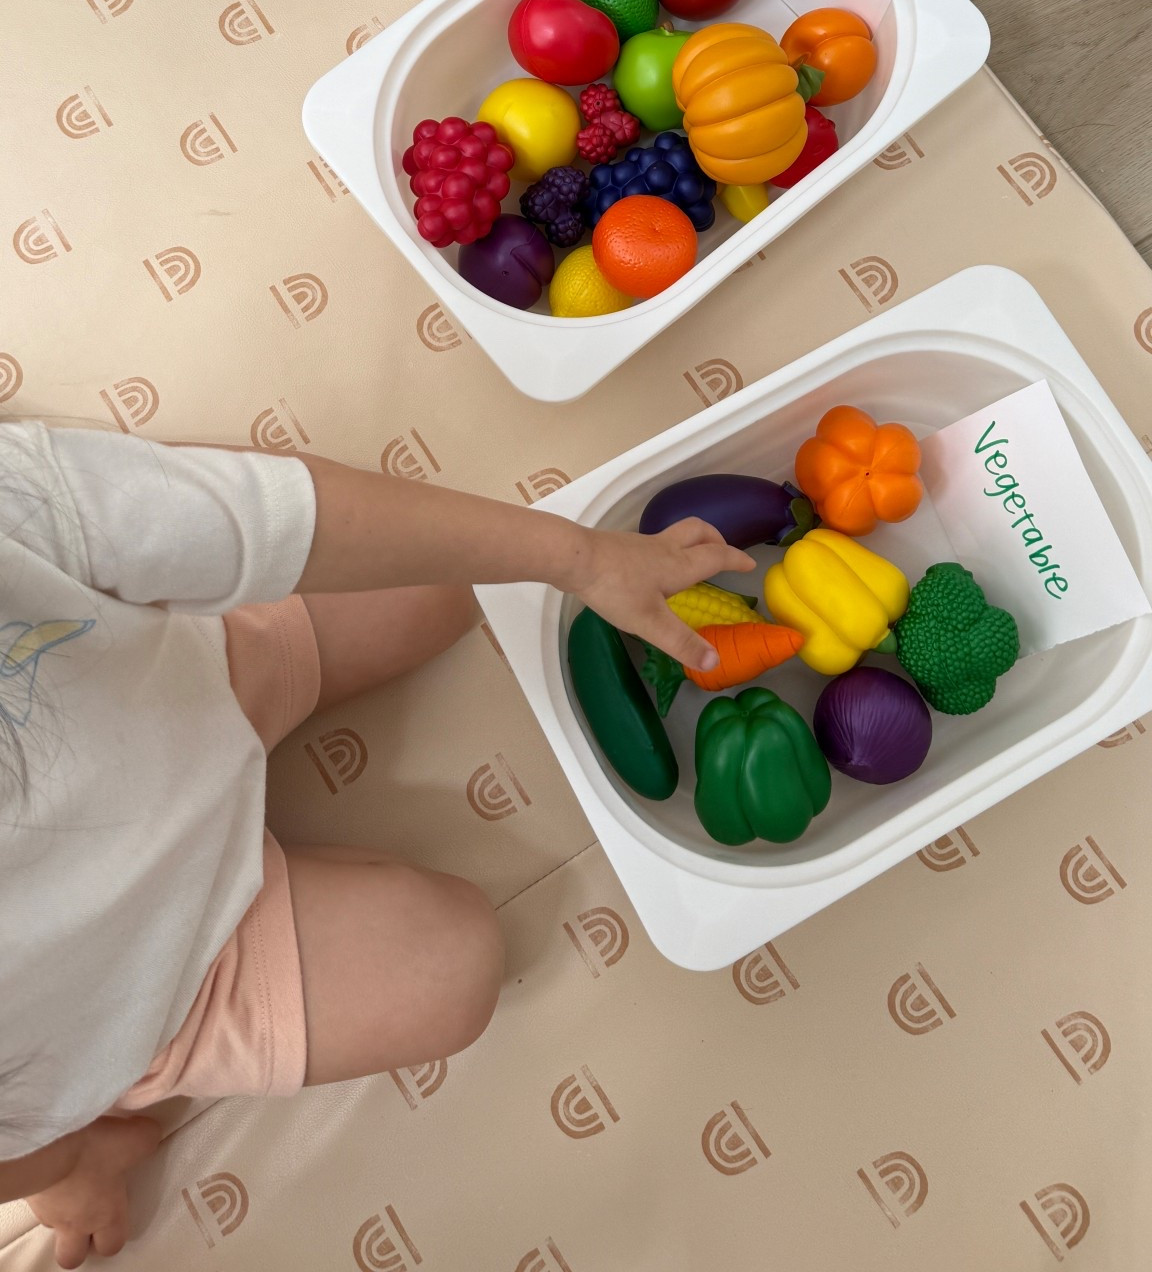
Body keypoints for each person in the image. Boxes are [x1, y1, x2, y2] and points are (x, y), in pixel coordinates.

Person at [0, 421, 751, 1267]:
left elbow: (265, 514)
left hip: (188, 681)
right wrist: (63, 1164)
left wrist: (576, 556)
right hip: (151, 996)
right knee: (451, 967)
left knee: (441, 578)